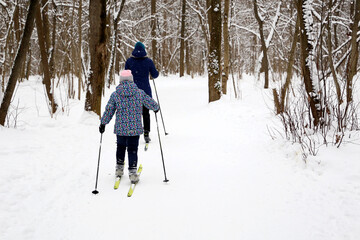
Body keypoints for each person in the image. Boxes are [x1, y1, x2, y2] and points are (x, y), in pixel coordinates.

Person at [99, 70, 159, 183]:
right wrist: (156, 108)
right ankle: (132, 172)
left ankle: (119, 169)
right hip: (134, 129)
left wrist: (103, 123)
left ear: (121, 80)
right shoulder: (139, 93)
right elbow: (150, 102)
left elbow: (109, 110)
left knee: (120, 147)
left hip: (120, 129)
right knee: (132, 149)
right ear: (132, 79)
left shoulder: (116, 94)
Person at [125, 41, 159, 143]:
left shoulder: (129, 61)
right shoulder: (148, 61)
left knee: (133, 112)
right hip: (145, 91)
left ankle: (133, 132)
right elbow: (155, 75)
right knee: (145, 112)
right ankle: (146, 132)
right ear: (144, 50)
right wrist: (153, 72)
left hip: (133, 91)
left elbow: (125, 76)